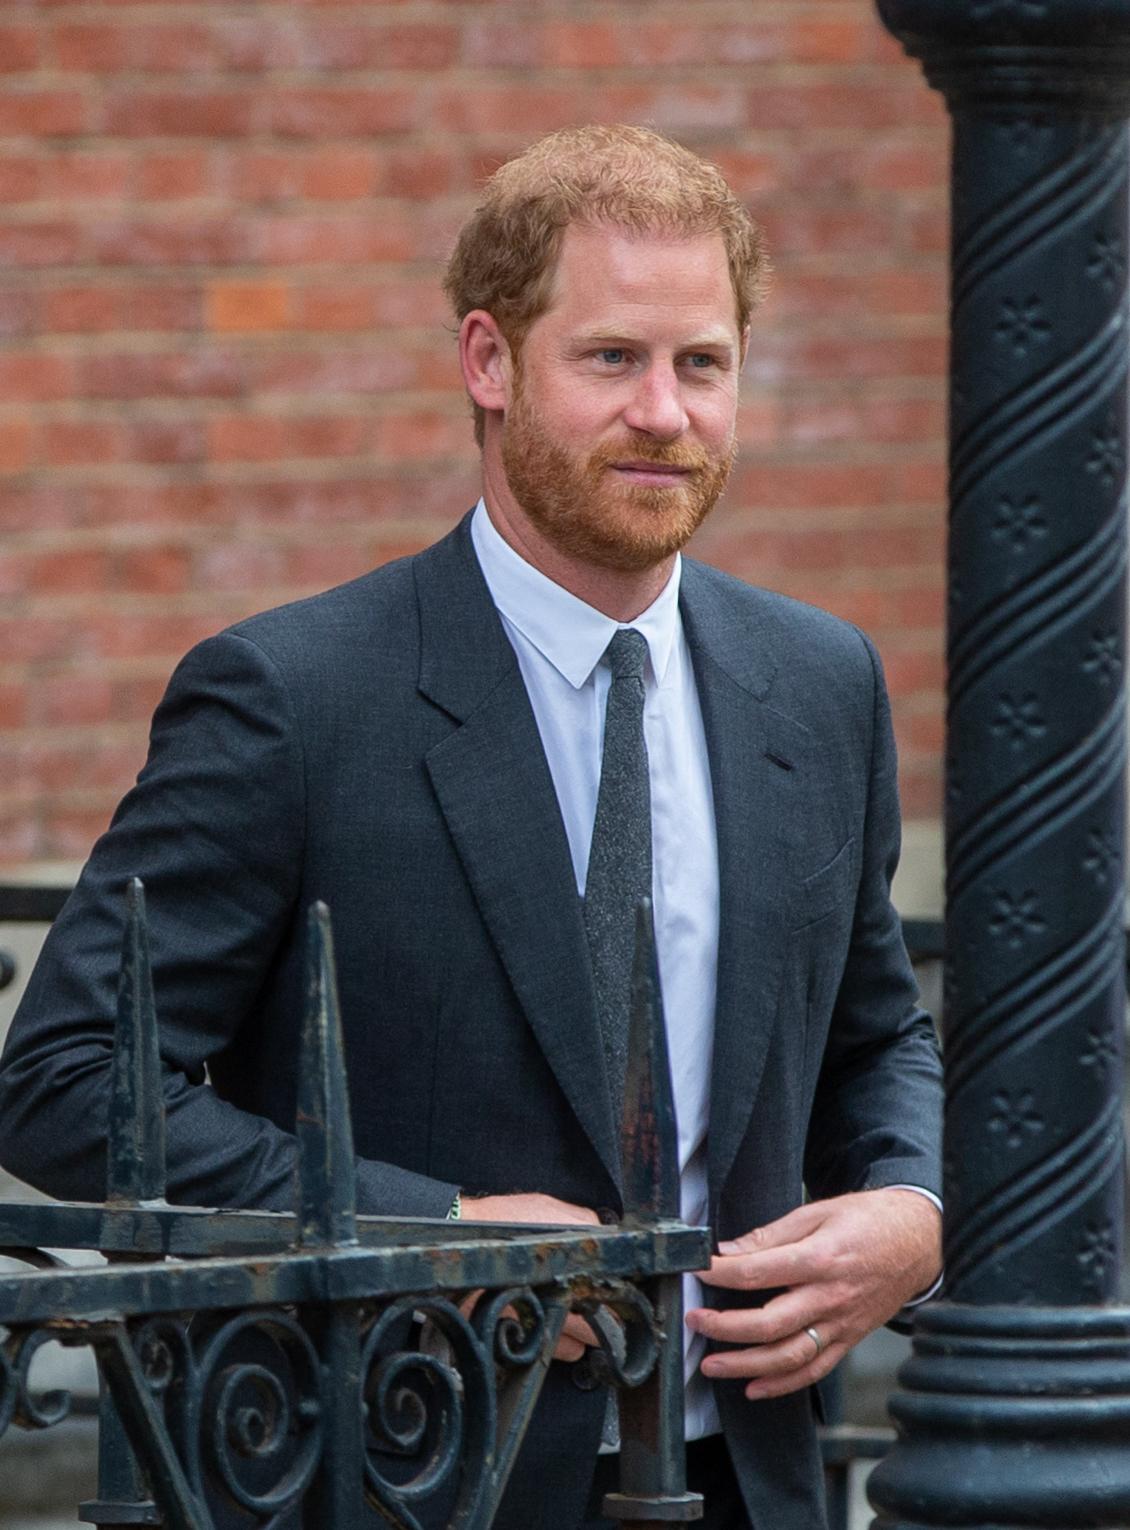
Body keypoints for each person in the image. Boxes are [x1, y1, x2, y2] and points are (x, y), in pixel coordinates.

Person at [0, 125, 942, 1530]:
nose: (665, 415)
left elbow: (878, 1035)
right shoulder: (292, 697)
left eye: (702, 362)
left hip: (752, 1479)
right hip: (400, 1473)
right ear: (488, 363)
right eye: (610, 358)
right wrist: (427, 1231)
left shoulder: (820, 683)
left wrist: (914, 1210)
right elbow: (67, 1078)